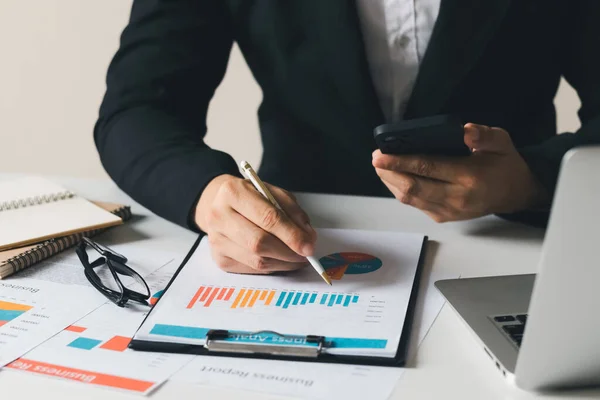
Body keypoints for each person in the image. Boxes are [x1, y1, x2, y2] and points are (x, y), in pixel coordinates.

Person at [94, 1, 600, 275]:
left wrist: (534, 182)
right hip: (302, 246)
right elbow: (137, 109)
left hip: (518, 246)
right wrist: (205, 194)